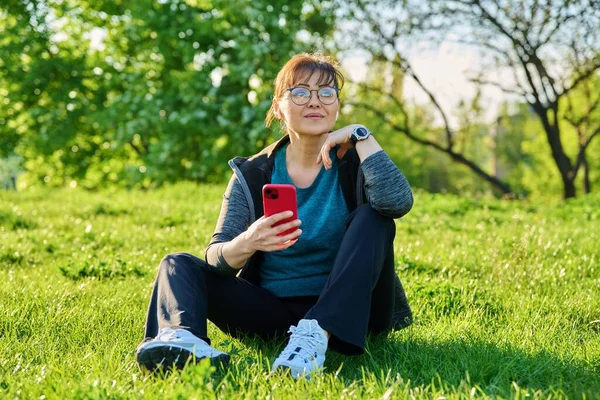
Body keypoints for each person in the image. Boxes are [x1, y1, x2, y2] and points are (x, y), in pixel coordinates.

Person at [136, 53, 414, 379]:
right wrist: (249, 240)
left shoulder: (359, 162)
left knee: (374, 217)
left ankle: (317, 335)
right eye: (300, 92)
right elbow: (216, 258)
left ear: (337, 105)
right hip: (273, 313)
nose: (315, 102)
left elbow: (396, 204)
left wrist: (361, 135)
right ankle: (184, 342)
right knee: (176, 263)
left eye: (326, 93)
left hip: (353, 312)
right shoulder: (253, 173)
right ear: (279, 106)